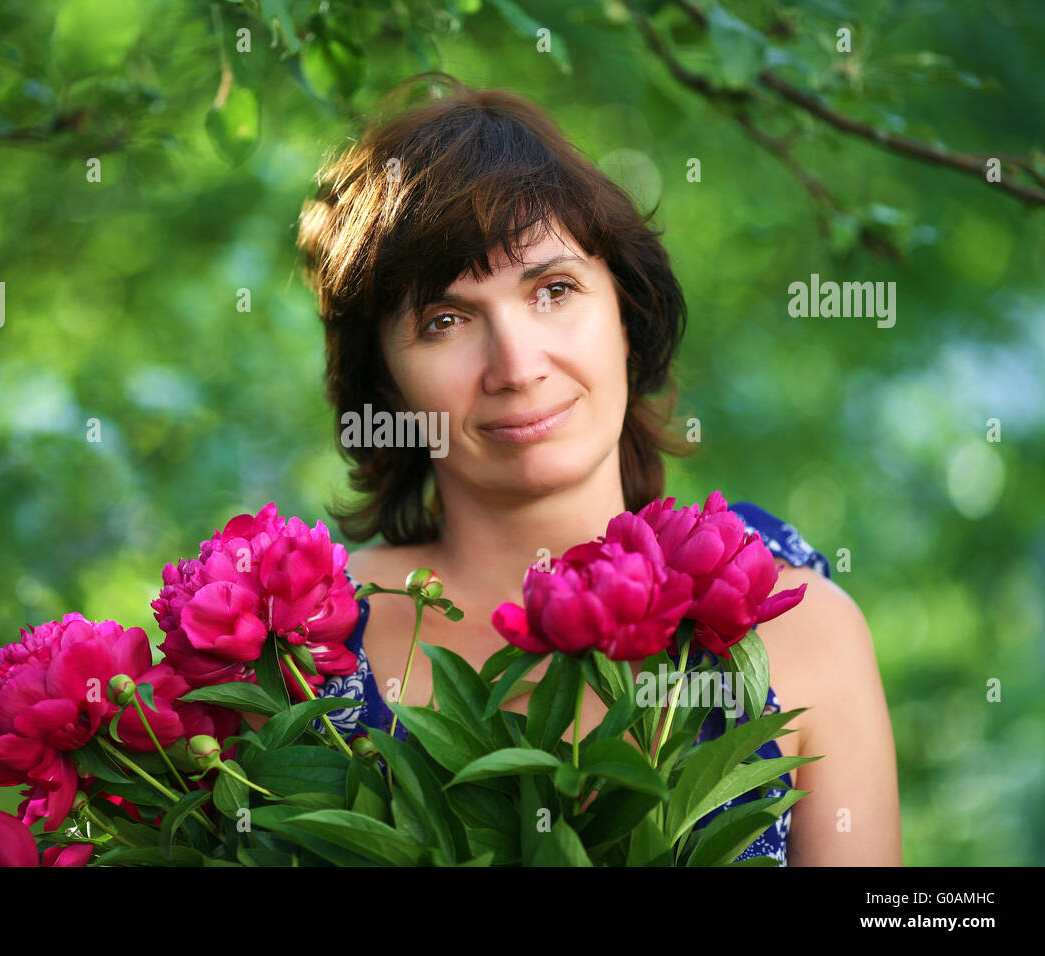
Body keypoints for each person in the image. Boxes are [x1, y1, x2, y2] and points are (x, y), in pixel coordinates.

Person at [283, 72, 901, 866]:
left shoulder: (801, 625)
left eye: (554, 290)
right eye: (444, 320)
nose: (517, 364)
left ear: (627, 312)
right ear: (382, 382)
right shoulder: (301, 653)